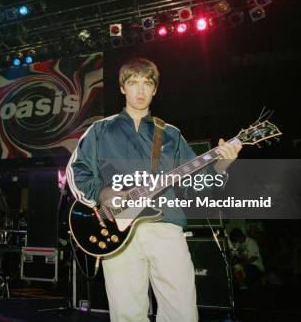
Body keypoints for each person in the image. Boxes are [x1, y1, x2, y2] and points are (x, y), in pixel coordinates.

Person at [66, 58, 242, 322]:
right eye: (133, 83)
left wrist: (220, 167)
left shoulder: (170, 133)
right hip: (117, 232)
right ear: (123, 88)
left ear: (155, 90)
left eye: (147, 84)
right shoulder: (100, 130)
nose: (140, 90)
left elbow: (194, 186)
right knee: (127, 313)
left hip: (166, 226)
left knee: (181, 312)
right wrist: (103, 194)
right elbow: (76, 171)